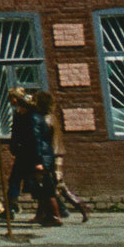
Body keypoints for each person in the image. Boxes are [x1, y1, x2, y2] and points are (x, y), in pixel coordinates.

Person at [44, 93, 91, 222]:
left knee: (58, 184)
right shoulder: (52, 117)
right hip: (57, 153)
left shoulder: (46, 119)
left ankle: (80, 205)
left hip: (54, 155)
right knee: (58, 184)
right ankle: (77, 207)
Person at [29, 91, 63, 226]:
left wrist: (48, 162)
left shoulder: (45, 120)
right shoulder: (47, 117)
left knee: (48, 188)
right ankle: (42, 214)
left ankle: (55, 216)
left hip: (48, 158)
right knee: (44, 188)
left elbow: (46, 142)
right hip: (50, 156)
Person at [5, 87, 37, 219]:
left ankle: (10, 208)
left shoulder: (27, 113)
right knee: (17, 180)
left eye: (11, 98)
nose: (10, 101)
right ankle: (10, 208)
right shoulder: (20, 112)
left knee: (29, 182)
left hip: (28, 152)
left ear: (16, 98)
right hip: (24, 152)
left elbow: (26, 133)